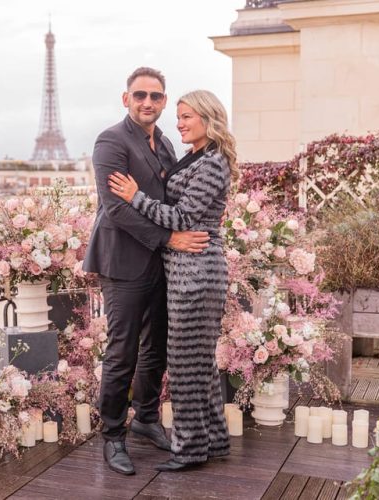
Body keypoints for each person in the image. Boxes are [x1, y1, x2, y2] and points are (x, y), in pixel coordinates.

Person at [82, 67, 211, 476]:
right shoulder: (111, 141)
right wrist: (171, 240)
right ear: (126, 99)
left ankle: (147, 418)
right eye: (140, 95)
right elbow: (117, 210)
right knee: (123, 351)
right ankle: (114, 435)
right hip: (123, 262)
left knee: (158, 346)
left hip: (160, 264)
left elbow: (174, 198)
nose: (147, 102)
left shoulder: (168, 143)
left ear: (164, 101)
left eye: (156, 96)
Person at [109, 89, 237, 471]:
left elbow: (182, 218)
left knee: (185, 365)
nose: (179, 123)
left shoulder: (212, 162)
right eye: (178, 117)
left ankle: (190, 449)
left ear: (208, 119)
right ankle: (213, 440)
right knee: (200, 363)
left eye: (187, 117)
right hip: (185, 269)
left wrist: (134, 197)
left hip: (195, 270)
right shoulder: (193, 156)